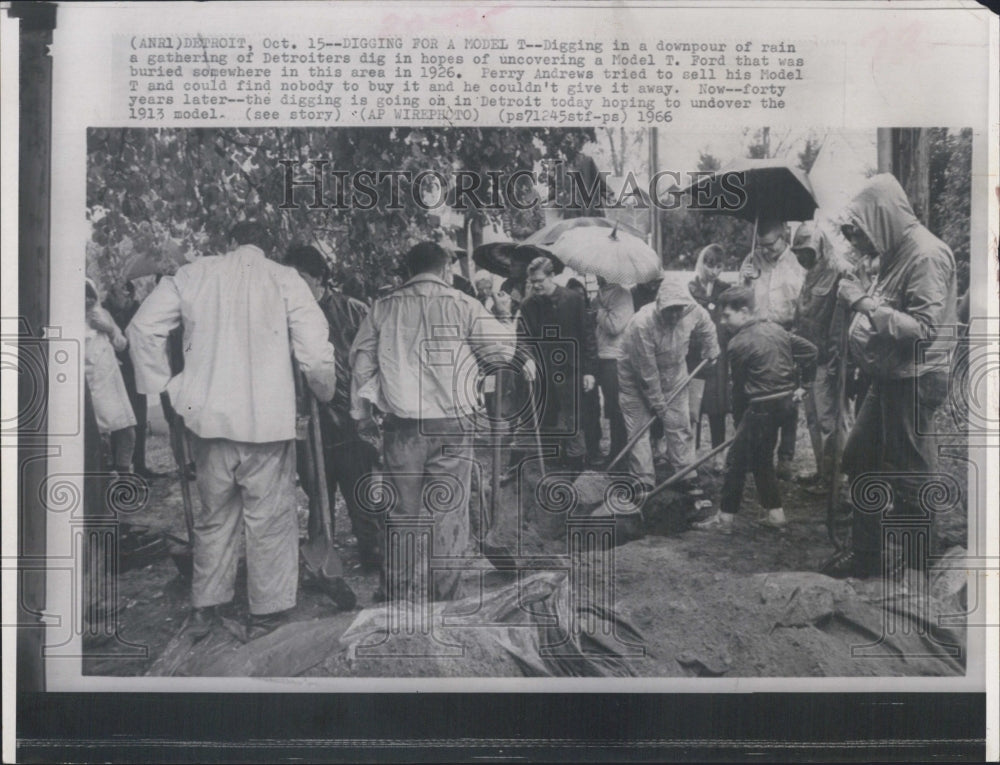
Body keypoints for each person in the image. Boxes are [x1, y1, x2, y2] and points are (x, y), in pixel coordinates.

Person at [127, 222, 339, 640]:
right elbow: (314, 350)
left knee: (215, 517)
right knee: (270, 520)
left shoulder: (192, 274)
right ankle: (269, 610)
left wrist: (165, 390)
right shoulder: (284, 277)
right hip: (267, 421)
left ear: (227, 241)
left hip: (209, 420)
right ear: (267, 247)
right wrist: (324, 388)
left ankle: (208, 605)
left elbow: (141, 328)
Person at [350, 241, 515, 603]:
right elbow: (502, 353)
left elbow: (362, 364)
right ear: (444, 270)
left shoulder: (383, 308)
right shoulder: (464, 305)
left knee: (401, 512)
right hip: (454, 423)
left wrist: (362, 416)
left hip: (403, 426)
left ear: (408, 271)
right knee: (448, 511)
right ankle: (446, 595)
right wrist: (503, 320)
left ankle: (396, 595)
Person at [822, 174, 957, 579]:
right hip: (890, 378)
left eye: (861, 231)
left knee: (910, 475)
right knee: (860, 456)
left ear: (882, 217)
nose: (858, 242)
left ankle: (918, 572)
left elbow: (924, 330)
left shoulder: (927, 254)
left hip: (915, 379)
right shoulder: (897, 251)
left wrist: (862, 303)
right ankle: (866, 557)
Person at [285, 244, 381, 571]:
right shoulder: (283, 319)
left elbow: (371, 360)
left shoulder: (353, 310)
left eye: (301, 280)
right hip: (308, 424)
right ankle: (320, 556)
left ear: (320, 278)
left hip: (350, 418)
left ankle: (373, 550)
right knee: (317, 490)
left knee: (360, 491)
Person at [694, 286, 817, 531]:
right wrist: (805, 385)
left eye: (727, 315)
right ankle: (776, 515)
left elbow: (739, 391)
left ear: (744, 312)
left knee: (735, 461)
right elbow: (811, 351)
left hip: (761, 407)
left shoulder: (737, 343)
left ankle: (725, 519)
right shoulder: (777, 329)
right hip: (786, 406)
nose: (722, 321)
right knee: (762, 459)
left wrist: (741, 425)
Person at [617, 277, 719, 496]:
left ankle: (685, 474)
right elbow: (646, 371)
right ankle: (643, 479)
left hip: (674, 374)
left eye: (678, 310)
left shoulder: (692, 311)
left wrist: (711, 348)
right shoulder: (642, 324)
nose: (674, 315)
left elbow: (708, 326)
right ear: (659, 305)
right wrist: (657, 403)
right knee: (638, 428)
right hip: (635, 378)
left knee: (679, 423)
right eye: (669, 310)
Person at [789, 221, 856, 495]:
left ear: (819, 247)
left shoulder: (840, 271)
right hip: (808, 359)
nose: (802, 257)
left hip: (829, 360)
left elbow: (843, 323)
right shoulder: (809, 274)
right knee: (815, 419)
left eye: (806, 251)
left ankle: (839, 479)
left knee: (832, 422)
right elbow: (801, 316)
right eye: (798, 253)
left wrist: (837, 362)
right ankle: (824, 472)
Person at [517, 257, 598, 476]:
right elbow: (522, 337)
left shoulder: (573, 300)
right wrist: (527, 359)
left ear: (552, 276)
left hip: (571, 370)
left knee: (574, 418)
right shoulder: (527, 305)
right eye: (532, 281)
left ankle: (576, 465)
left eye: (540, 280)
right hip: (543, 372)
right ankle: (553, 466)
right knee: (548, 417)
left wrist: (589, 370)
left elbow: (587, 336)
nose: (535, 285)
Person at [739, 220, 806, 479]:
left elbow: (804, 301)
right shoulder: (752, 260)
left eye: (771, 245)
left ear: (784, 237)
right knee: (755, 395)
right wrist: (743, 281)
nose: (766, 251)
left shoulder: (798, 262)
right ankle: (754, 453)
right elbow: (740, 300)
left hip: (787, 333)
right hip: (757, 334)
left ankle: (786, 457)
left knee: (787, 399)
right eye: (762, 245)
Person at [105, 281, 161, 479]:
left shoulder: (136, 309)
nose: (127, 297)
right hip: (114, 374)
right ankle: (121, 470)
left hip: (135, 371)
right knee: (119, 425)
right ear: (112, 293)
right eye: (123, 293)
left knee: (139, 419)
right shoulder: (104, 311)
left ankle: (140, 465)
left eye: (130, 293)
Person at [85, 278, 137, 474]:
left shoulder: (102, 314)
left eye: (90, 295)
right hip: (92, 387)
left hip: (113, 384)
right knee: (100, 439)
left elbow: (121, 343)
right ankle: (105, 484)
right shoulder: (70, 321)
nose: (87, 300)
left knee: (127, 433)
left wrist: (109, 329)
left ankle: (124, 481)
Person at [687, 244, 732, 470]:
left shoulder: (725, 290)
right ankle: (690, 454)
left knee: (717, 407)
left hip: (718, 356)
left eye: (719, 266)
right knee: (693, 407)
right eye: (710, 265)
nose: (714, 271)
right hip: (694, 356)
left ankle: (718, 454)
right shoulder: (690, 289)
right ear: (701, 263)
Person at [593, 275, 634, 462]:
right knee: (609, 406)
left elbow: (614, 326)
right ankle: (613, 452)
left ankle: (621, 454)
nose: (597, 275)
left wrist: (599, 310)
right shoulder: (601, 293)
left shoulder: (622, 295)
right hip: (601, 354)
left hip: (616, 356)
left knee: (618, 407)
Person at [566, 278, 604, 466]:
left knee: (592, 411)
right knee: (573, 414)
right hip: (571, 371)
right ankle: (576, 455)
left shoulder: (590, 314)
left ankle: (594, 449)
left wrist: (590, 371)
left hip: (588, 369)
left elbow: (592, 345)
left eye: (581, 295)